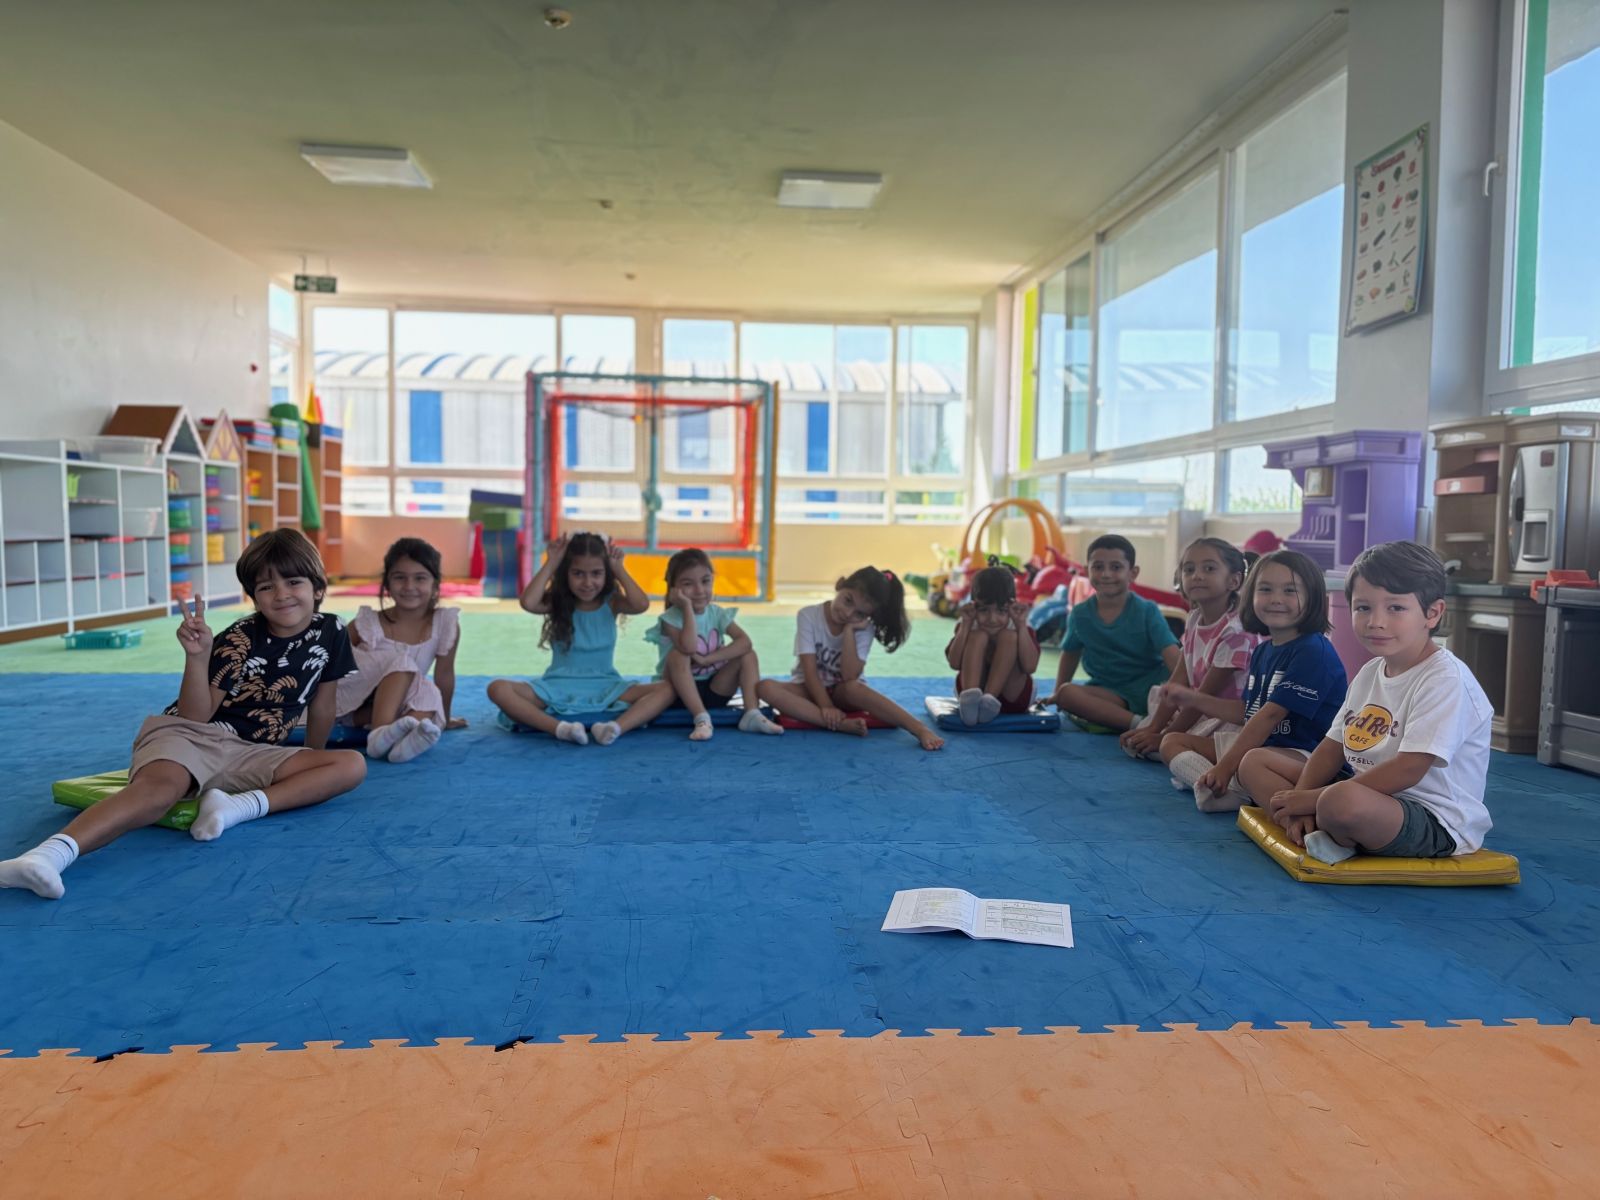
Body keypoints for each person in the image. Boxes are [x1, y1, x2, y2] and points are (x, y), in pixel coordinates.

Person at [0, 529, 365, 901]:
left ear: (317, 587)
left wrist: (310, 757)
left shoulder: (331, 629)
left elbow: (323, 703)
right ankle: (45, 857)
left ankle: (235, 807)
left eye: (293, 582)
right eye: (266, 587)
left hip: (254, 751)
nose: (282, 594)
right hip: (191, 735)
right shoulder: (240, 637)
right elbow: (194, 716)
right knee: (159, 792)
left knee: (350, 765)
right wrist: (198, 657)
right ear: (254, 597)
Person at [1241, 540, 1492, 863]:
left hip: (1430, 816)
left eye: (1395, 608)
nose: (1376, 621)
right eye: (1363, 608)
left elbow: (1410, 768)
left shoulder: (1445, 678)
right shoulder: (1370, 671)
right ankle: (1302, 826)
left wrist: (1311, 799)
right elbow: (1331, 748)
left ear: (1432, 613)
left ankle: (1324, 824)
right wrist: (1301, 797)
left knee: (1339, 802)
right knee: (1255, 762)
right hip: (1361, 789)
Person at [1161, 549, 1347, 812]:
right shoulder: (1263, 650)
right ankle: (1224, 791)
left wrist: (1226, 766)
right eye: (1266, 589)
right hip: (1265, 749)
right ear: (1251, 596)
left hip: (1307, 757)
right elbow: (1246, 712)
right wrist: (1193, 699)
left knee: (1252, 762)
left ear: (1313, 597)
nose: (1276, 599)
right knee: (1172, 741)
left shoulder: (1313, 651)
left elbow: (1270, 715)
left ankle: (1294, 815)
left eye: (1290, 591)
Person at [486, 532, 674, 745]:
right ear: (565, 573)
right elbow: (528, 602)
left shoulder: (611, 602)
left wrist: (618, 568)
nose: (587, 582)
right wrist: (552, 562)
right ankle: (561, 729)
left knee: (667, 689)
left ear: (606, 574)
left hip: (607, 687)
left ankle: (614, 728)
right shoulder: (557, 601)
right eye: (578, 573)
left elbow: (641, 605)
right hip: (556, 688)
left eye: (596, 573)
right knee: (497, 688)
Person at [759, 566, 944, 751]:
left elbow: (849, 676)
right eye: (848, 601)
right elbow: (809, 671)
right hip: (808, 690)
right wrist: (827, 707)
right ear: (840, 585)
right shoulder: (808, 615)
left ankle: (919, 728)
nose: (848, 614)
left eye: (859, 613)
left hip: (844, 694)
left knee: (854, 688)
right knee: (764, 687)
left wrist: (849, 631)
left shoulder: (864, 628)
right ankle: (839, 724)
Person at [1121, 537, 1255, 759]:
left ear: (1233, 581)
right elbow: (1179, 679)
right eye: (1189, 569)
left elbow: (1203, 696)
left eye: (1209, 568)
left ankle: (1209, 768)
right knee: (1154, 708)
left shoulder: (1236, 631)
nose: (1197, 576)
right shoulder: (1194, 618)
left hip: (1226, 718)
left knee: (1163, 746)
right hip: (1198, 707)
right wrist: (1154, 728)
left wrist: (1163, 737)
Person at [336, 536, 462, 763]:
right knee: (402, 662)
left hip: (388, 707)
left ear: (435, 584)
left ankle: (403, 744)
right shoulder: (367, 623)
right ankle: (380, 734)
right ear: (387, 584)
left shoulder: (444, 623)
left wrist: (445, 716)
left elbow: (444, 675)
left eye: (420, 578)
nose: (409, 586)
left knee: (430, 693)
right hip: (352, 703)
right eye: (400, 577)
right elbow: (331, 659)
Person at [644, 547, 784, 740]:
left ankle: (752, 713)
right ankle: (701, 718)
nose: (699, 590)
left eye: (705, 581)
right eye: (688, 584)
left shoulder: (717, 613)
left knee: (747, 655)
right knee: (678, 655)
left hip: (715, 690)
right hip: (678, 694)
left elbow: (745, 642)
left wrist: (709, 659)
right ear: (673, 589)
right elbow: (688, 647)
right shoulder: (670, 619)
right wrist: (687, 607)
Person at [1049, 535, 1181, 732]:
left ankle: (1140, 719)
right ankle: (1140, 724)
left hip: (1151, 690)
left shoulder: (1147, 611)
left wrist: (1188, 691)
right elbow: (1070, 653)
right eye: (1098, 567)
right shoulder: (1080, 614)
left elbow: (1171, 655)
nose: (1106, 574)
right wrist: (1057, 692)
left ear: (1133, 573)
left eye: (1116, 567)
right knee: (1066, 693)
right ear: (1086, 571)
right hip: (1109, 693)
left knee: (1172, 693)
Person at [944, 557, 1040, 726]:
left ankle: (989, 699)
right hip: (971, 700)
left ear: (1011, 605)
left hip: (1014, 698)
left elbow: (1030, 667)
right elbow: (954, 663)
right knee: (978, 636)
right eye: (984, 610)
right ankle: (971, 699)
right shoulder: (970, 623)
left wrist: (1021, 626)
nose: (992, 619)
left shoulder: (1018, 623)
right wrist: (965, 626)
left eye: (1001, 611)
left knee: (1009, 637)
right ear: (974, 605)